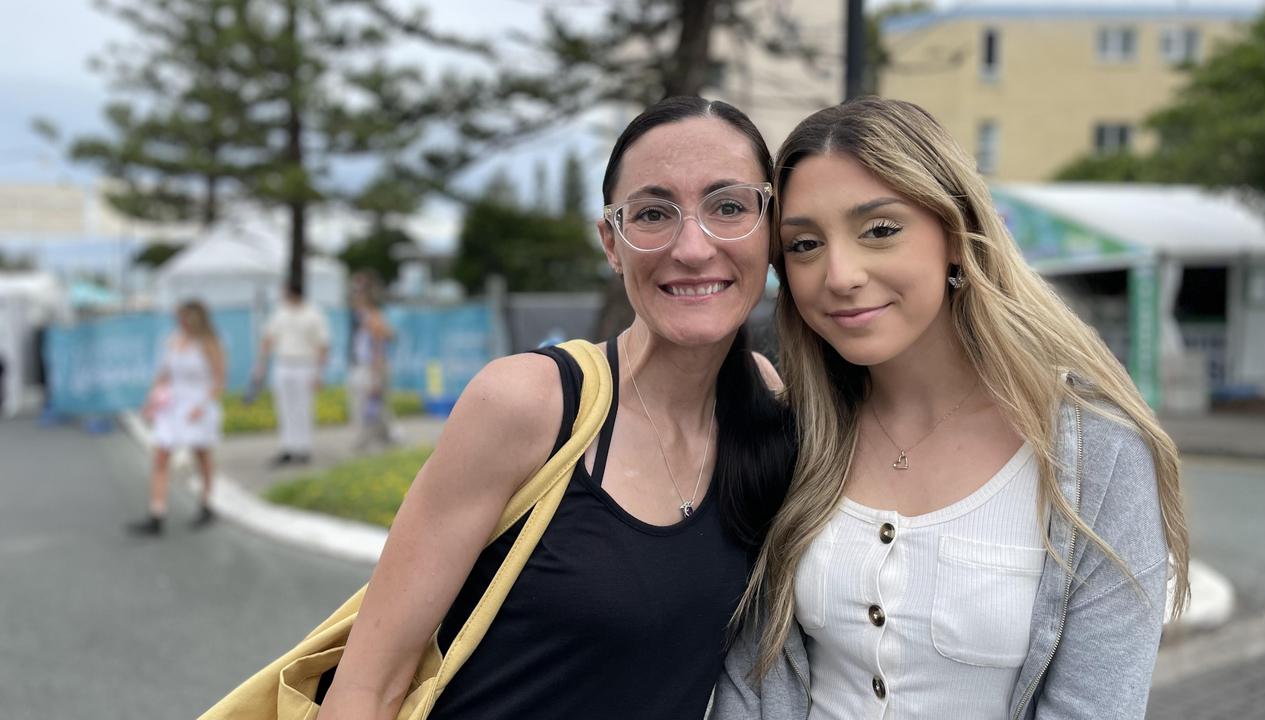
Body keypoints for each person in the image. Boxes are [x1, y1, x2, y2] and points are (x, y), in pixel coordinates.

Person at [314, 96, 795, 720]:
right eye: (652, 214)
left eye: (728, 207)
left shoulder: (767, 403)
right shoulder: (528, 404)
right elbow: (365, 689)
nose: (693, 247)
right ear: (611, 243)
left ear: (771, 227)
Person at [713, 97, 1190, 719]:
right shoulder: (793, 437)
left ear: (957, 235)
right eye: (803, 245)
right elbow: (749, 682)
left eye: (880, 230)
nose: (840, 274)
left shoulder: (1098, 453)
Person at [130, 300, 226, 535]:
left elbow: (219, 379)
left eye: (184, 317)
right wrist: (152, 400)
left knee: (201, 455)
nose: (180, 321)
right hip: (174, 405)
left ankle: (207, 502)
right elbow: (164, 374)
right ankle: (157, 513)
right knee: (161, 455)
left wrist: (203, 405)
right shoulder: (173, 341)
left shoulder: (209, 344)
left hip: (197, 404)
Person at [253, 278, 330, 466]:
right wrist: (261, 364)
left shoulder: (313, 313)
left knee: (303, 407)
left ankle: (303, 448)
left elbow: (322, 344)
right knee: (284, 407)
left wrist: (319, 373)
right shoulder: (280, 312)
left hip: (304, 364)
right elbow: (268, 338)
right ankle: (288, 446)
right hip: (284, 363)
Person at [347, 273, 395, 452]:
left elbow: (378, 348)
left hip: (370, 367)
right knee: (368, 405)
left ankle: (372, 439)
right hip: (362, 365)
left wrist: (376, 375)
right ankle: (376, 437)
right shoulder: (360, 318)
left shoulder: (373, 318)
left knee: (369, 405)